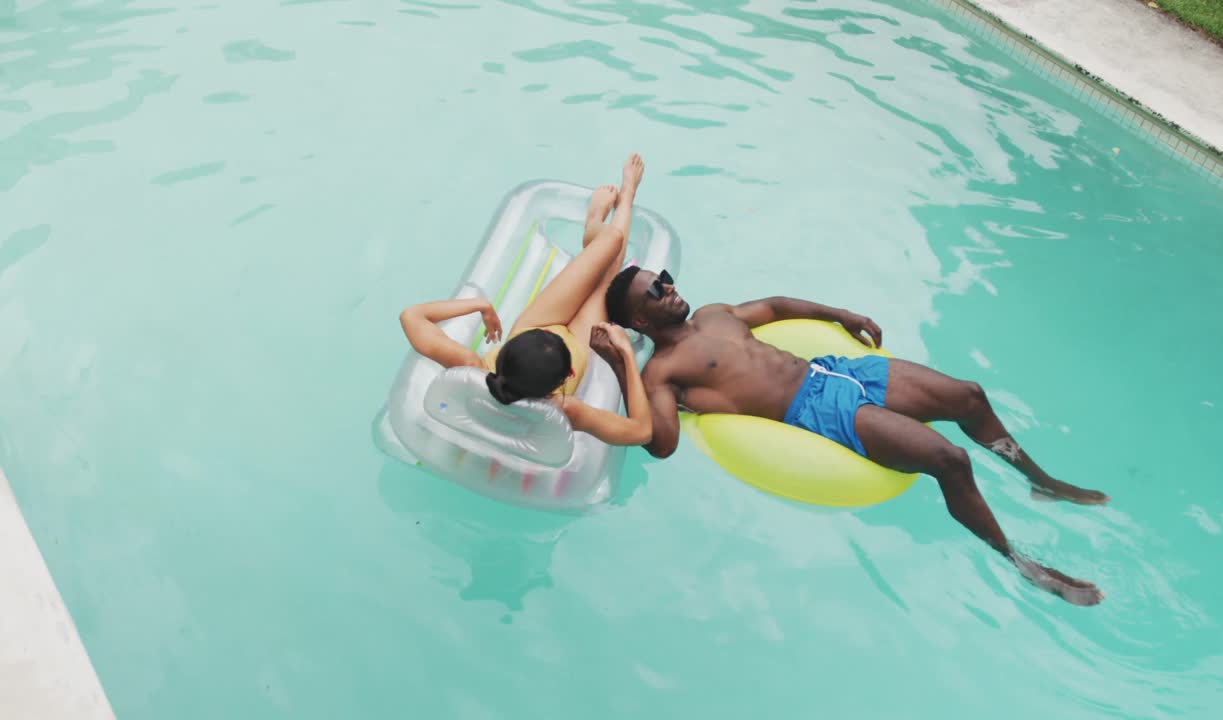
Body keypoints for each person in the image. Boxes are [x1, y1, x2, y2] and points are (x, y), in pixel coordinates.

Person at [600, 267, 1109, 606]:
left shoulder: (713, 314)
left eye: (663, 277)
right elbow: (660, 442)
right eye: (656, 290)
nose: (670, 286)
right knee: (948, 459)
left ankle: (1041, 481)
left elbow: (774, 308)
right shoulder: (662, 373)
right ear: (640, 319)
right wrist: (622, 361)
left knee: (970, 396)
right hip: (815, 409)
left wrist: (839, 314)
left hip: (835, 370)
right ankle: (1020, 562)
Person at [399, 154, 652, 446]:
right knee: (611, 253)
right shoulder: (563, 408)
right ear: (563, 381)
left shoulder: (473, 366)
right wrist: (627, 354)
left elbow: (410, 316)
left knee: (608, 250)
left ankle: (597, 226)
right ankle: (623, 198)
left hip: (539, 320)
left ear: (504, 354)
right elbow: (641, 432)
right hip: (576, 339)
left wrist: (479, 304)